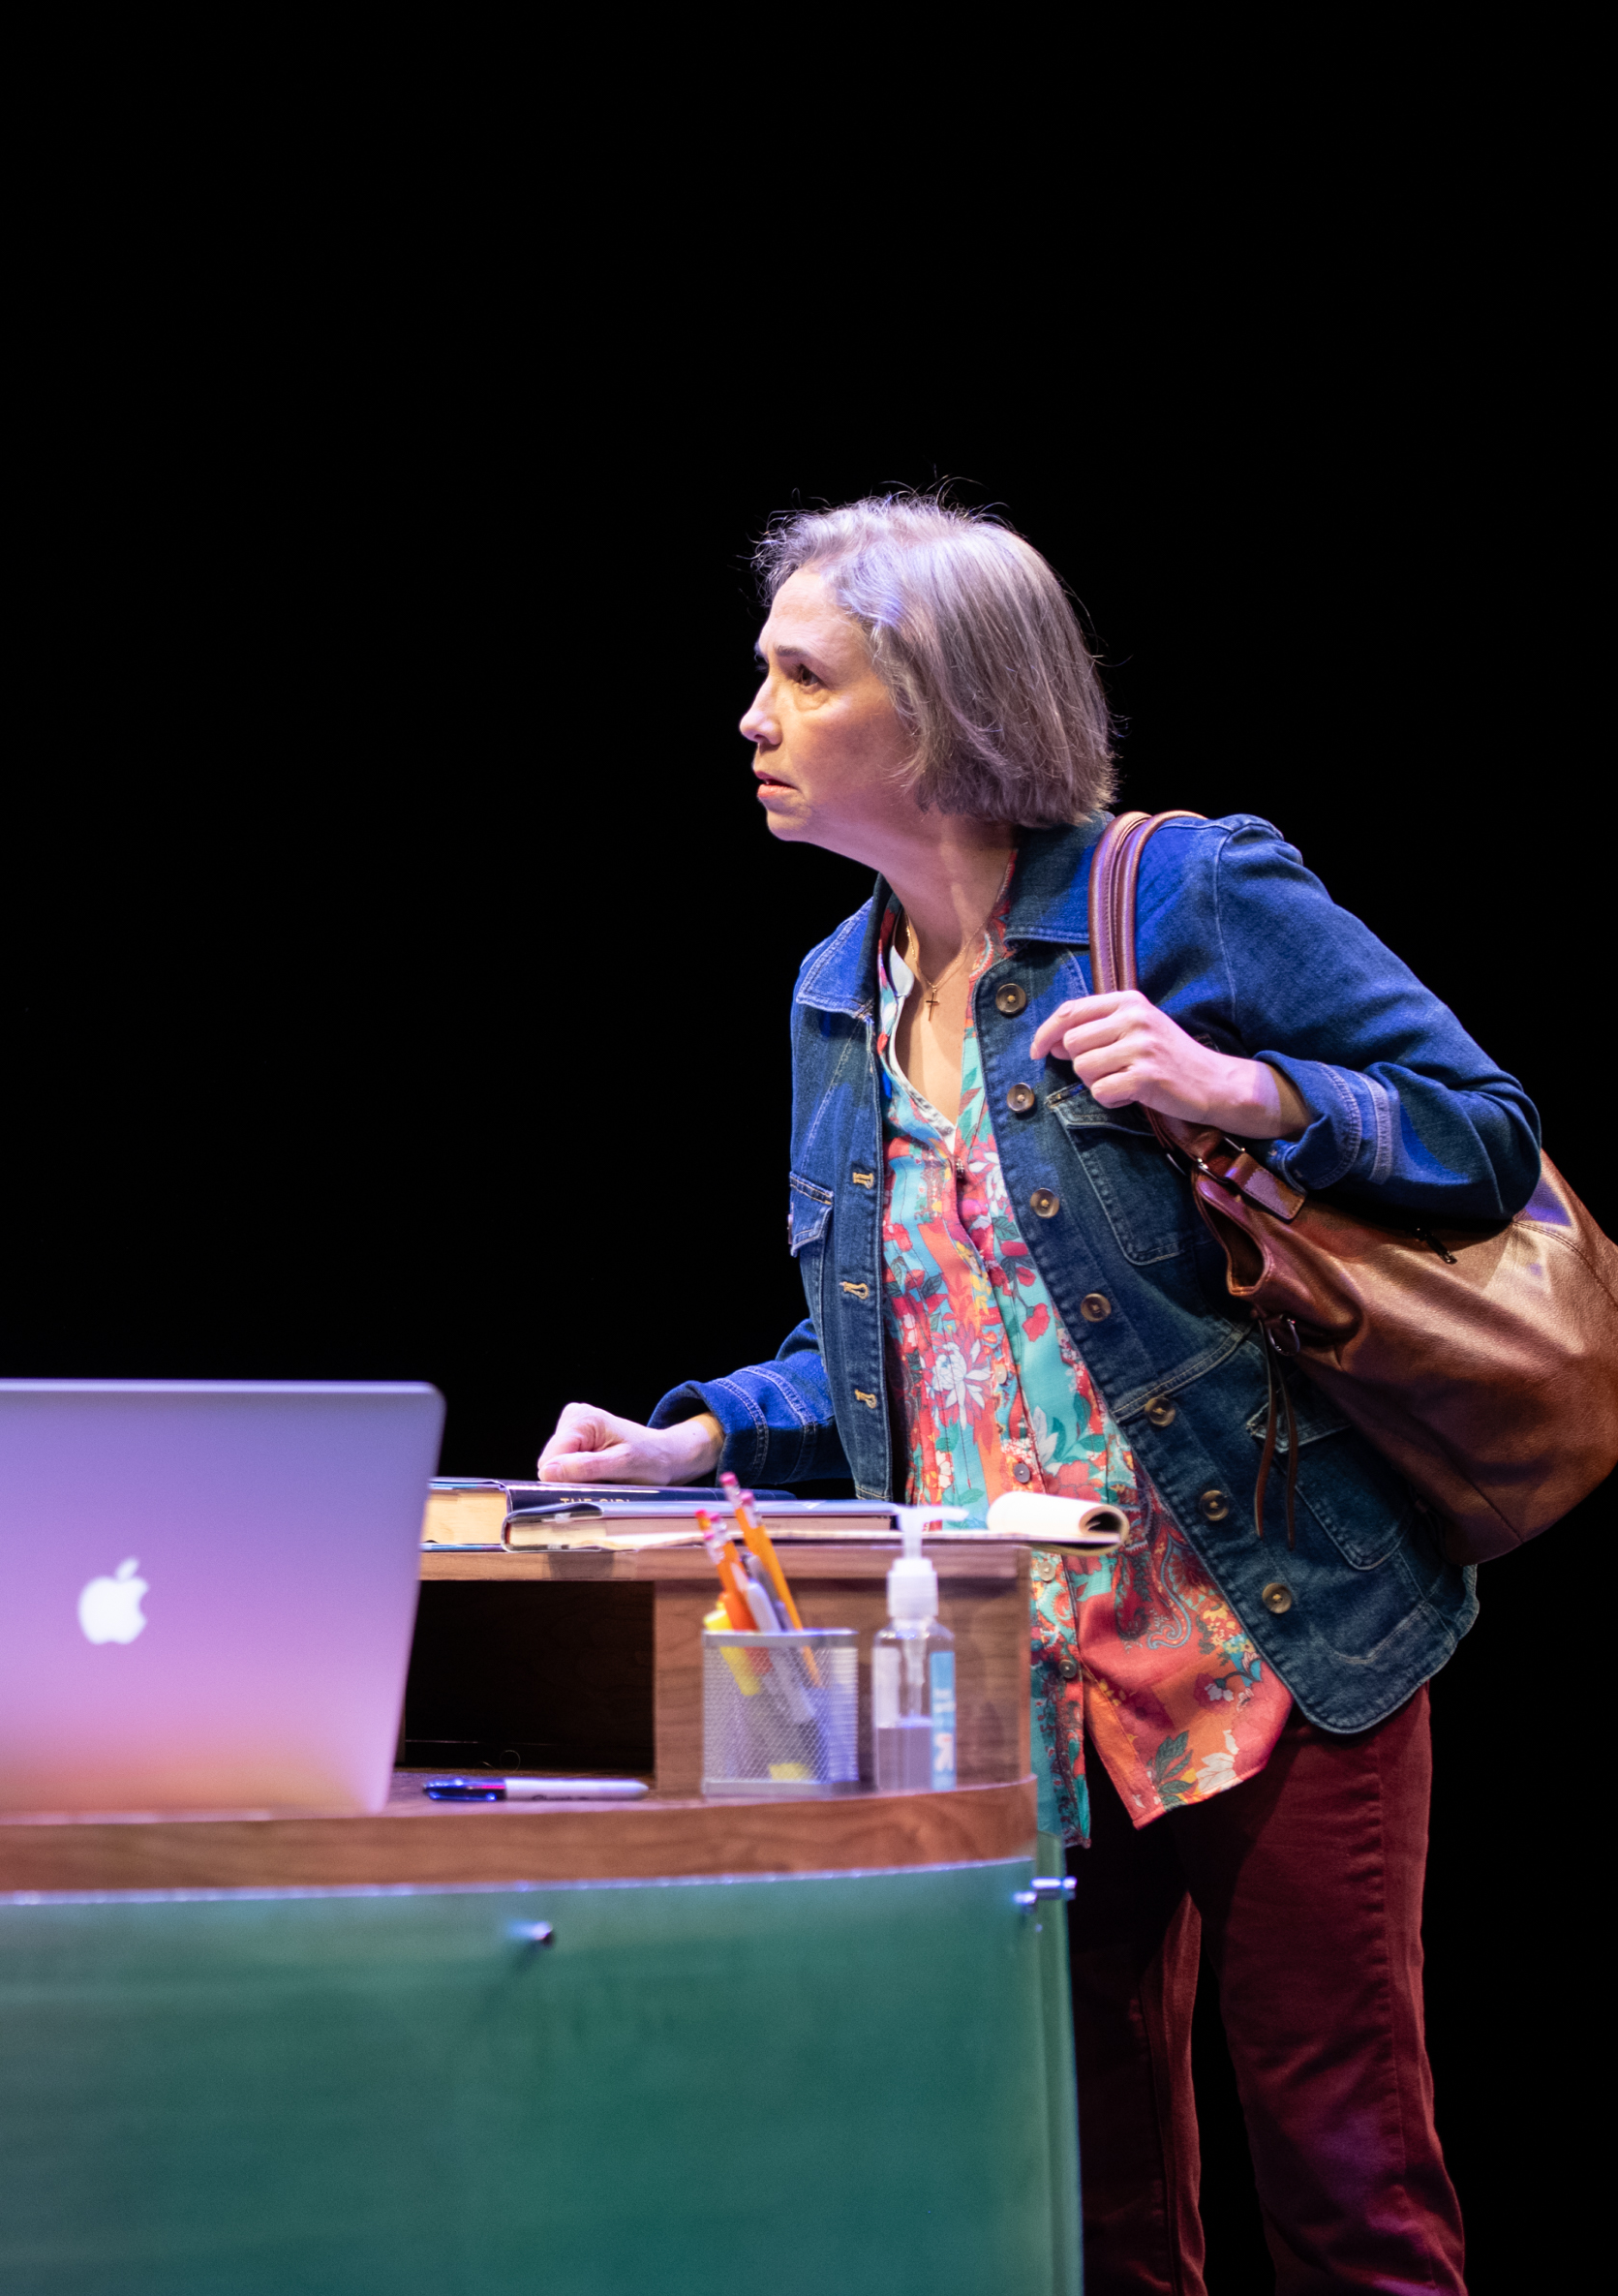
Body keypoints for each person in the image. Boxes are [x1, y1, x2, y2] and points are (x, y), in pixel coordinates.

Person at [537, 497, 1524, 2293]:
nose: (752, 715)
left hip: (1276, 1646)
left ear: (938, 712)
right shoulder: (837, 994)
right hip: (1009, 1678)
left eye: (801, 675)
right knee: (1085, 2190)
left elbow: (1486, 1134)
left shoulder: (1186, 892)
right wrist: (695, 1435)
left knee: (1341, 2172)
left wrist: (1249, 1092)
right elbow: (913, 1347)